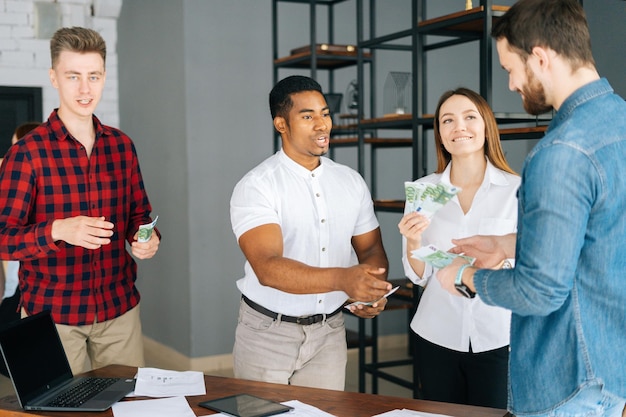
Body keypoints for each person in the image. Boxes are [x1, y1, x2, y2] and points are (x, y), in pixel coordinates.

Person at [436, 1, 626, 416]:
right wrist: (507, 244)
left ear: (540, 57)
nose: (510, 85)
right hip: (611, 369)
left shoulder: (561, 152)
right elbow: (601, 235)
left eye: (510, 69)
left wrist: (468, 277)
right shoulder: (620, 122)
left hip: (566, 380)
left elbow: (539, 292)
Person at [0, 27, 160, 375]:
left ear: (104, 77)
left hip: (119, 310)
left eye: (94, 76)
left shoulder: (122, 146)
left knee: (128, 406)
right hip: (51, 314)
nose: (85, 89)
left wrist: (145, 239)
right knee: (59, 412)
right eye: (73, 76)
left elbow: (139, 215)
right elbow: (3, 238)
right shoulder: (26, 154)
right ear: (54, 77)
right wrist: (58, 229)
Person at [229, 75, 391, 390]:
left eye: (325, 114)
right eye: (308, 116)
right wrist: (345, 280)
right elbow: (268, 267)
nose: (322, 125)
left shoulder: (350, 181)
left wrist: (373, 288)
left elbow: (370, 248)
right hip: (267, 333)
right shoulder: (257, 185)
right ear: (281, 124)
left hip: (329, 332)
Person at [397, 88, 518, 409]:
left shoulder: (517, 189)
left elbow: (530, 266)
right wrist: (412, 241)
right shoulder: (423, 190)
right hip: (436, 333)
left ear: (486, 126)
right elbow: (418, 275)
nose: (458, 127)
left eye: (469, 117)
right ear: (440, 134)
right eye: (447, 120)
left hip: (499, 337)